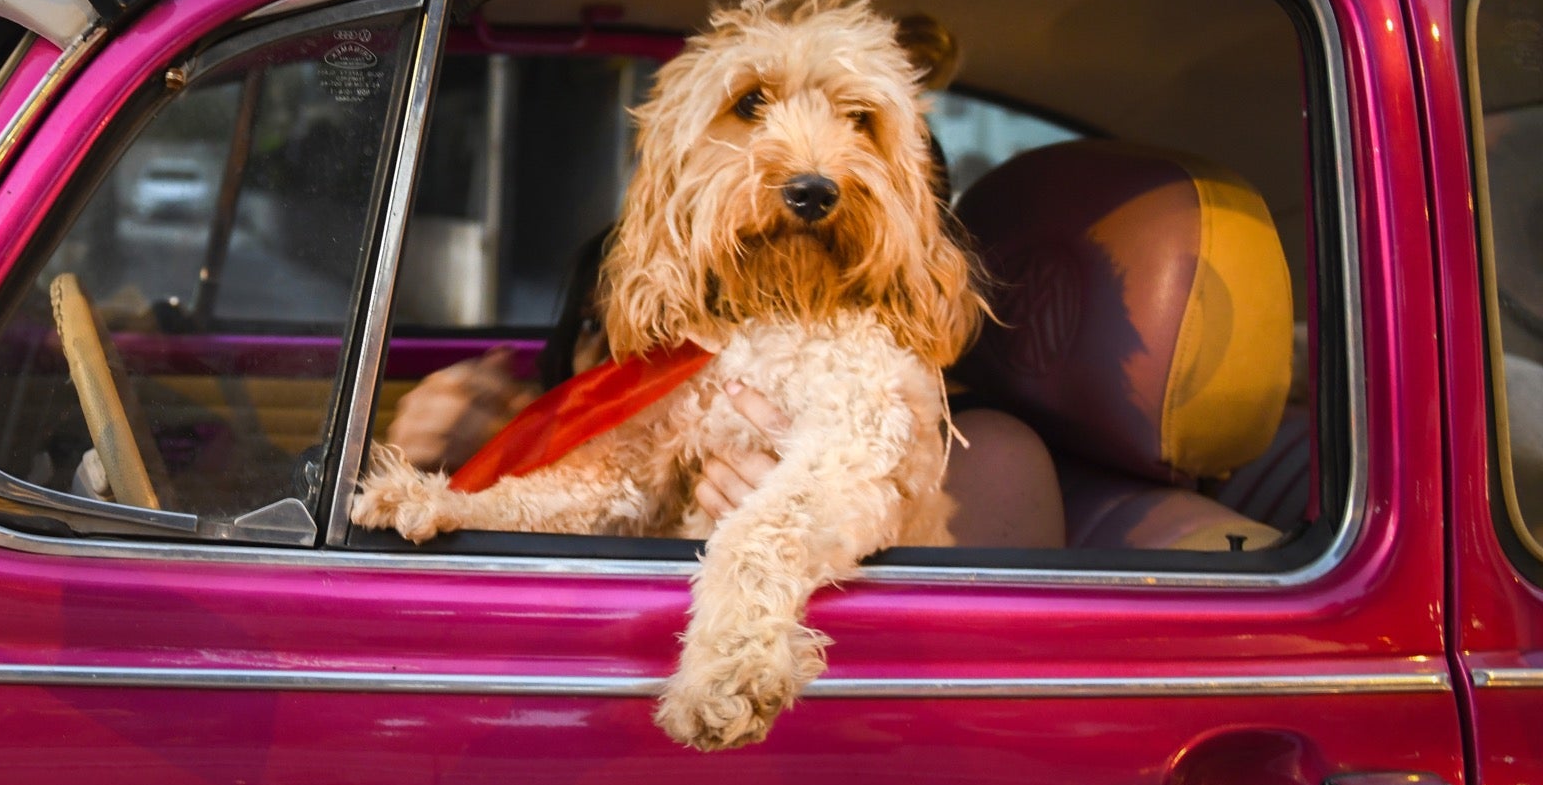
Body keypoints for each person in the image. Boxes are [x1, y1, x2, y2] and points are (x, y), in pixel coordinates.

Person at [383, 227, 1066, 549]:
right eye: (599, 324)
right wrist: (458, 469)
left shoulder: (989, 457)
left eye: (675, 331)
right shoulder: (594, 435)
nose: (623, 361)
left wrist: (832, 520)